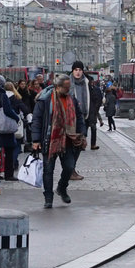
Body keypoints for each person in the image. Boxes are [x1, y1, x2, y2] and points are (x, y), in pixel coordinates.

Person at [31, 75, 86, 208]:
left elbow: (79, 117)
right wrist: (36, 139)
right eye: (65, 88)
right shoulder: (44, 99)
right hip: (49, 139)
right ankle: (48, 197)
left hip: (68, 139)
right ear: (57, 87)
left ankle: (62, 187)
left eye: (69, 87)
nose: (68, 90)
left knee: (69, 167)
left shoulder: (71, 98)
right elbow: (37, 120)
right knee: (48, 170)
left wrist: (82, 133)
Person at [0, 76, 22, 181]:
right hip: (4, 128)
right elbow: (8, 111)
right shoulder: (3, 95)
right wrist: (16, 117)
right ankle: (9, 174)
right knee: (9, 151)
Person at [87, 73, 104, 149]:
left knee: (93, 128)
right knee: (84, 130)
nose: (91, 83)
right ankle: (82, 144)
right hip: (86, 112)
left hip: (93, 112)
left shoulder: (96, 90)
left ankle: (93, 144)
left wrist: (100, 120)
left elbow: (98, 102)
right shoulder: (85, 90)